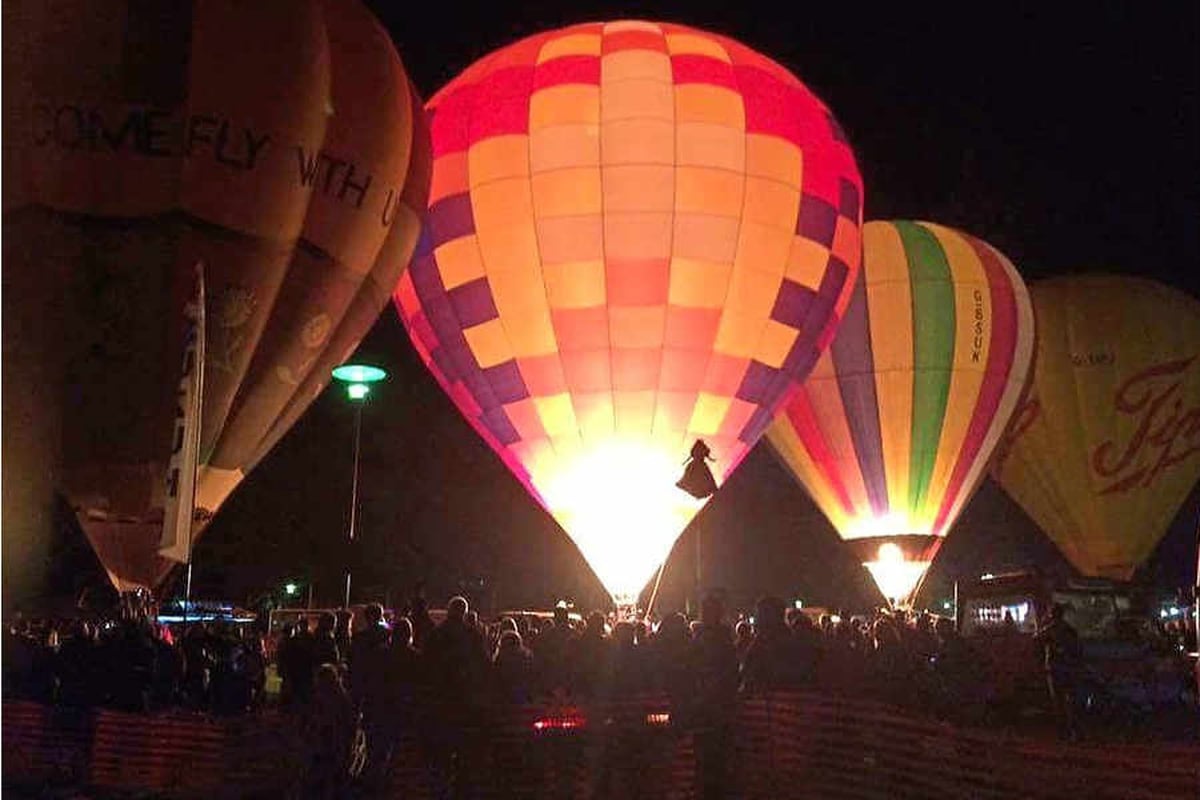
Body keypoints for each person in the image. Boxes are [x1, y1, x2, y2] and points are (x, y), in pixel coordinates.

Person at [689, 593, 739, 800]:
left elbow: (693, 669)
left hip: (706, 708)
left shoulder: (702, 640)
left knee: (705, 757)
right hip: (721, 708)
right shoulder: (725, 639)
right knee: (718, 757)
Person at [1035, 603, 1083, 740]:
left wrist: (1044, 621)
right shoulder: (1070, 630)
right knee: (1071, 700)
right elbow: (1078, 649)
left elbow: (1035, 639)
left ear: (1052, 615)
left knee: (1058, 701)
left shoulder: (1049, 629)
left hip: (1055, 669)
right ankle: (1075, 729)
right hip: (1070, 668)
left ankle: (1063, 732)